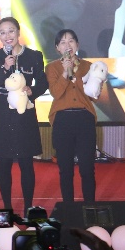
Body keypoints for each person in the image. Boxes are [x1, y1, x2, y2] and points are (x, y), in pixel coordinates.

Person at [0, 18, 48, 215]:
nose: (7, 36)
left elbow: (43, 83)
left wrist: (32, 91)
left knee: (26, 162)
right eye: (2, 33)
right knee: (4, 163)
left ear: (18, 32)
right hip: (2, 115)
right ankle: (7, 208)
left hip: (24, 114)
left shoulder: (34, 56)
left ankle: (28, 207)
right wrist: (4, 68)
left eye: (11, 31)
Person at [45, 28, 99, 203]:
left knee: (87, 168)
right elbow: (56, 93)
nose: (67, 45)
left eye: (71, 41)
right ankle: (68, 208)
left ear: (77, 44)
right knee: (65, 169)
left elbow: (93, 96)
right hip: (62, 120)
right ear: (57, 48)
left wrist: (87, 81)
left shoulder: (89, 67)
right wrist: (65, 72)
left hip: (84, 118)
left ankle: (89, 207)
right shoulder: (52, 67)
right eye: (63, 42)